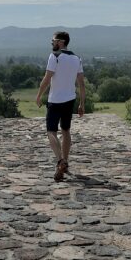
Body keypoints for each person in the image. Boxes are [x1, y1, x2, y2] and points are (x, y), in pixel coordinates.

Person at [35, 31, 85, 182]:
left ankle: (60, 161)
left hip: (55, 100)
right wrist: (82, 104)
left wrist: (38, 95)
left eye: (53, 41)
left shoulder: (54, 57)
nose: (52, 43)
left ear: (61, 42)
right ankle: (66, 162)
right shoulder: (77, 58)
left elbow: (47, 77)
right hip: (70, 100)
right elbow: (81, 84)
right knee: (66, 130)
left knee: (51, 131)